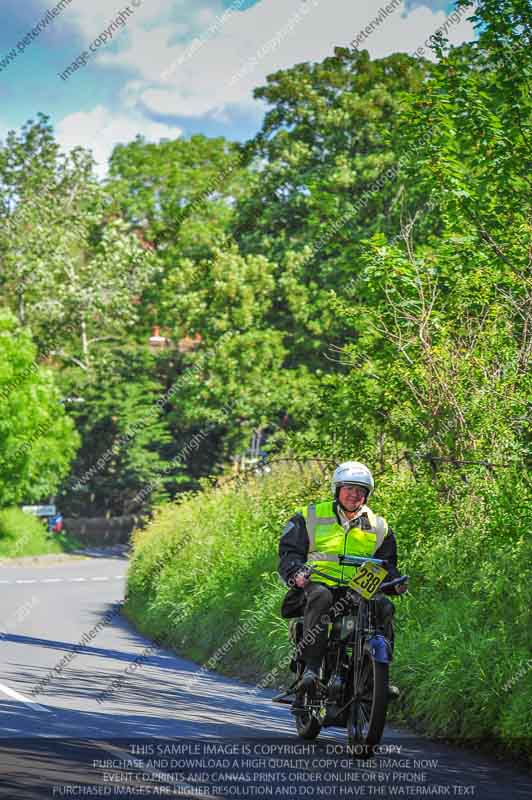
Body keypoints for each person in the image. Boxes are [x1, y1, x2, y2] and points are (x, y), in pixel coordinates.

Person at [278, 460, 407, 689]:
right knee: (321, 597)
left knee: (384, 607)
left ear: (367, 495)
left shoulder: (379, 525)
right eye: (349, 488)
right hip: (319, 582)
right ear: (337, 490)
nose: (354, 495)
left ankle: (377, 678)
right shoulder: (311, 515)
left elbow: (387, 565)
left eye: (360, 491)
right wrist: (296, 572)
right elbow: (289, 552)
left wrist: (394, 583)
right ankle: (312, 669)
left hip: (358, 588)